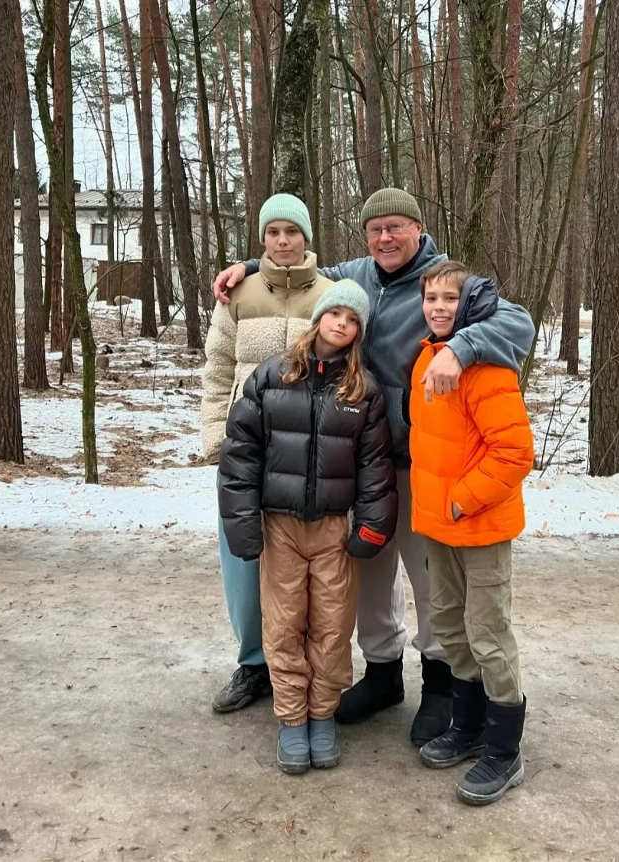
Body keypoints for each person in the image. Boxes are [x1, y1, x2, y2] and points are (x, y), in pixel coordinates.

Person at [212, 188, 536, 746]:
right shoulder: (355, 274)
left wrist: (461, 348)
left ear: (418, 229)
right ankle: (383, 673)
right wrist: (247, 266)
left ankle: (440, 683)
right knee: (369, 577)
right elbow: (302, 271)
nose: (385, 238)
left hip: (421, 463)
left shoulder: (446, 282)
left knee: (430, 581)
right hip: (359, 465)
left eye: (396, 227)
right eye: (375, 229)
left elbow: (520, 325)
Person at [218, 283, 397, 774]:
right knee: (283, 624)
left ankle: (322, 714)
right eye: (335, 313)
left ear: (359, 332)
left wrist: (372, 527)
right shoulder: (271, 376)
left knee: (333, 626)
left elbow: (376, 467)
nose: (342, 323)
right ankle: (293, 718)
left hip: (334, 531)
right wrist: (242, 522)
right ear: (318, 317)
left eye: (352, 319)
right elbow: (241, 455)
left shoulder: (363, 390)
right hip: (281, 528)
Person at [202, 193, 335, 715]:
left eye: (292, 231)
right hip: (246, 450)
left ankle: (299, 664)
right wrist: (217, 437)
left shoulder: (329, 295)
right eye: (273, 232)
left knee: (303, 567)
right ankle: (253, 663)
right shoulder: (237, 294)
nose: (283, 241)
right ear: (262, 238)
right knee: (242, 558)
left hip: (306, 455)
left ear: (306, 237)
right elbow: (217, 369)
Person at [409, 261, 534, 805]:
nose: (438, 307)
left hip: (479, 526)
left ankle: (505, 750)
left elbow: (514, 453)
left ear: (470, 305)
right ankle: (469, 725)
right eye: (430, 298)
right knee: (449, 626)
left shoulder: (486, 368)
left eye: (449, 298)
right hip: (439, 528)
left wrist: (461, 501)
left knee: (487, 633)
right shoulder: (426, 358)